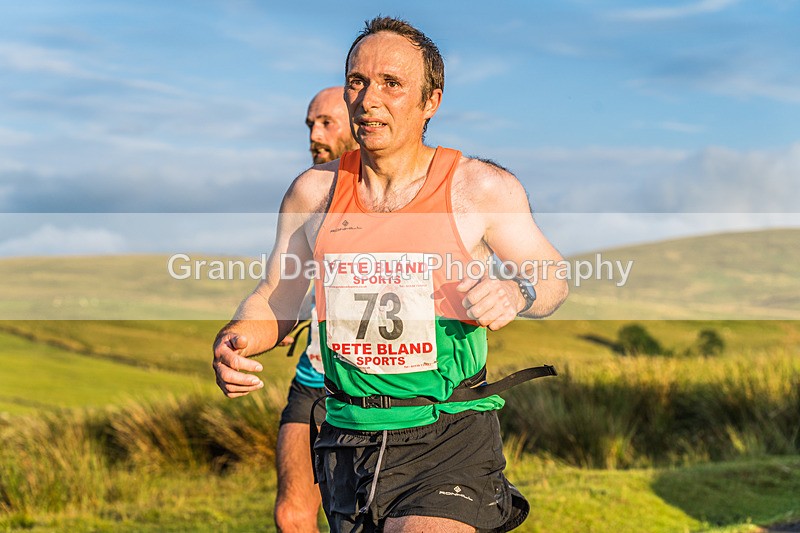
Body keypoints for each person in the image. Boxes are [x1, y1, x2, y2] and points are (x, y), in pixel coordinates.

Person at [213, 16, 568, 533]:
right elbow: (279, 298)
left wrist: (518, 290)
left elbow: (553, 276)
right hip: (344, 435)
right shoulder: (313, 193)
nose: (367, 98)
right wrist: (237, 338)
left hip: (447, 435)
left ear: (431, 101)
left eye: (391, 84)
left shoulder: (478, 188)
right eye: (357, 81)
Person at [275, 87, 358, 533]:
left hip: (373, 386)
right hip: (312, 380)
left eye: (327, 122)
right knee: (292, 515)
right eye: (310, 124)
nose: (315, 133)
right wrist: (282, 320)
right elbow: (294, 281)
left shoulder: (400, 195)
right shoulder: (309, 196)